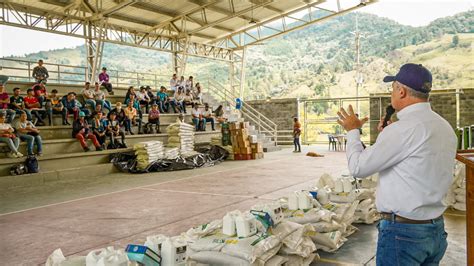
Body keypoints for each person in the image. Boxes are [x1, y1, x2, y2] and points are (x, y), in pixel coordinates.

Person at [336, 63, 456, 265]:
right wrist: (387, 138)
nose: (392, 93)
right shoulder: (443, 127)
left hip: (404, 234)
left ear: (401, 91)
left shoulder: (403, 130)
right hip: (434, 230)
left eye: (392, 88)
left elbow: (358, 168)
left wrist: (352, 131)